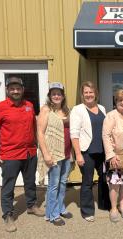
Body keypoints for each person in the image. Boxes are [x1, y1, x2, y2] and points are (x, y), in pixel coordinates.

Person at [0, 76, 44, 233]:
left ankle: (31, 206)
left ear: (22, 89)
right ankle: (8, 215)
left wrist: (38, 146)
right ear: (7, 90)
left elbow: (33, 127)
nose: (15, 91)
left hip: (29, 152)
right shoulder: (0, 108)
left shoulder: (29, 105)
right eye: (12, 88)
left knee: (30, 182)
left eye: (18, 88)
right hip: (10, 155)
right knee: (8, 187)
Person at [70, 81, 110, 222]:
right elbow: (74, 134)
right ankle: (87, 211)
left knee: (104, 178)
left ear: (95, 93)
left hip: (102, 151)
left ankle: (105, 204)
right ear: (82, 94)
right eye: (86, 92)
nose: (88, 95)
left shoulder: (102, 108)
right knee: (87, 181)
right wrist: (78, 154)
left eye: (91, 92)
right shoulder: (77, 110)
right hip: (86, 152)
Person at [37, 82, 72, 226]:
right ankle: (52, 214)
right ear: (50, 96)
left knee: (63, 183)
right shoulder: (46, 110)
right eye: (53, 94)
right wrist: (46, 154)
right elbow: (39, 133)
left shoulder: (67, 111)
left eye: (59, 93)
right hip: (53, 153)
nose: (56, 96)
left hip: (67, 153)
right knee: (54, 185)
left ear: (63, 96)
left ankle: (60, 207)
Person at [102, 89, 123, 222]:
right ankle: (113, 208)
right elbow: (105, 135)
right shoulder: (111, 115)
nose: (122, 102)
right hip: (116, 156)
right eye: (119, 100)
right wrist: (111, 155)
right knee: (114, 183)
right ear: (115, 102)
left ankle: (122, 206)